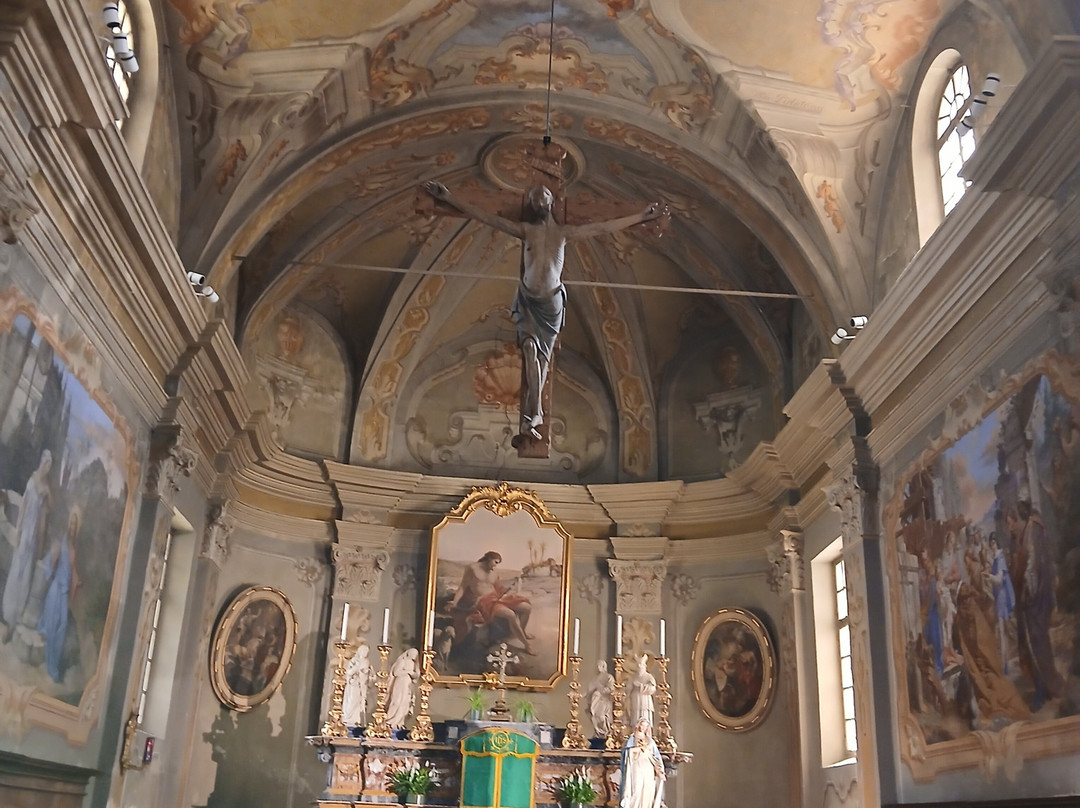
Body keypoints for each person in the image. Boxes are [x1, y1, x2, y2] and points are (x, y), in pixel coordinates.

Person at [423, 180, 665, 439]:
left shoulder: (563, 233)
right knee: (528, 350)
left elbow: (603, 227)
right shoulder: (526, 230)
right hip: (527, 298)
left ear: (551, 203)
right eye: (535, 199)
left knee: (542, 359)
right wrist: (449, 198)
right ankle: (533, 413)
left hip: (550, 303)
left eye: (543, 197)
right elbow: (486, 217)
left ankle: (535, 415)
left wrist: (640, 216)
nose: (538, 202)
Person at [1006, 502, 1064, 709]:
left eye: (1011, 523)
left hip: (1034, 600)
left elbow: (1033, 567)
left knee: (1037, 643)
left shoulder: (1032, 532)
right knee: (1032, 644)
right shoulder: (1023, 536)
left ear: (1019, 520)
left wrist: (1027, 595)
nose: (1010, 528)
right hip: (1028, 602)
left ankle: (1045, 687)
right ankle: (1042, 686)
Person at [2, 449, 52, 643]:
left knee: (26, 575)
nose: (48, 468)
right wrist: (19, 529)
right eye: (47, 464)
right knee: (17, 570)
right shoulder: (32, 480)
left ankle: (15, 620)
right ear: (42, 462)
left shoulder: (46, 488)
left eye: (50, 466)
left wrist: (40, 542)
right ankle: (8, 614)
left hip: (34, 535)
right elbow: (23, 505)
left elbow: (43, 517)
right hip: (25, 532)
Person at [447, 550, 534, 654]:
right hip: (484, 601)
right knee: (510, 615)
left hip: (496, 597)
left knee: (527, 607)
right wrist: (455, 602)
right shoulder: (472, 568)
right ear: (489, 559)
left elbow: (498, 588)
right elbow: (462, 587)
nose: (495, 566)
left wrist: (507, 589)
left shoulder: (494, 573)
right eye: (495, 562)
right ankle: (526, 645)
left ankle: (522, 631)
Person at [36, 508, 81, 683]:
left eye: (75, 525)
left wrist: (76, 583)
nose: (72, 527)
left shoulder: (73, 547)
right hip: (56, 589)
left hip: (63, 592)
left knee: (61, 626)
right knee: (56, 626)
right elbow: (53, 558)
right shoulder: (62, 541)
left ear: (77, 528)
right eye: (71, 523)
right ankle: (52, 668)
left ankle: (53, 665)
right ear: (68, 524)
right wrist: (51, 567)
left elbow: (74, 570)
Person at [619, 718, 665, 808]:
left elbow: (656, 756)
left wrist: (660, 770)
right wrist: (636, 749)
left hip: (648, 766)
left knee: (648, 789)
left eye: (645, 726)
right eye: (642, 725)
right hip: (637, 765)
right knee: (637, 788)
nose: (643, 727)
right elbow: (626, 752)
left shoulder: (650, 740)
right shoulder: (632, 738)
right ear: (638, 725)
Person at [385, 647, 420, 729]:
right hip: (400, 683)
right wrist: (408, 671)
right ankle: (390, 721)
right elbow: (396, 672)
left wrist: (413, 674)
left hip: (408, 685)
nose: (414, 656)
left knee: (405, 703)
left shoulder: (413, 664)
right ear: (408, 653)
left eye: (415, 655)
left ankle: (399, 723)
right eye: (413, 654)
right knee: (396, 701)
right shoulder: (402, 661)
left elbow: (416, 676)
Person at [342, 643, 375, 727]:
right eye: (363, 651)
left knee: (360, 703)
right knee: (352, 701)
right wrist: (356, 669)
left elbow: (372, 676)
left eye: (366, 652)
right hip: (354, 685)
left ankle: (357, 721)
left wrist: (370, 676)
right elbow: (348, 672)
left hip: (362, 686)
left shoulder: (368, 663)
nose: (365, 653)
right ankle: (348, 720)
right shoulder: (354, 661)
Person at [584, 659, 615, 737]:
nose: (598, 667)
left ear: (603, 666)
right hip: (595, 701)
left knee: (602, 716)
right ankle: (598, 733)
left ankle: (605, 732)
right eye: (597, 666)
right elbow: (590, 688)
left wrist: (601, 691)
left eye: (599, 665)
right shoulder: (596, 678)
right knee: (594, 715)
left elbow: (611, 688)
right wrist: (585, 694)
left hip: (604, 700)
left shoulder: (609, 677)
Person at [626, 653, 656, 727]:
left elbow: (652, 689)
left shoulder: (648, 677)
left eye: (641, 664)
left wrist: (641, 686)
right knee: (635, 720)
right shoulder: (633, 677)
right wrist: (630, 686)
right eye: (638, 665)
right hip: (635, 700)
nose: (639, 666)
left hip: (645, 700)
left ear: (644, 666)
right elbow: (627, 689)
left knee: (645, 720)